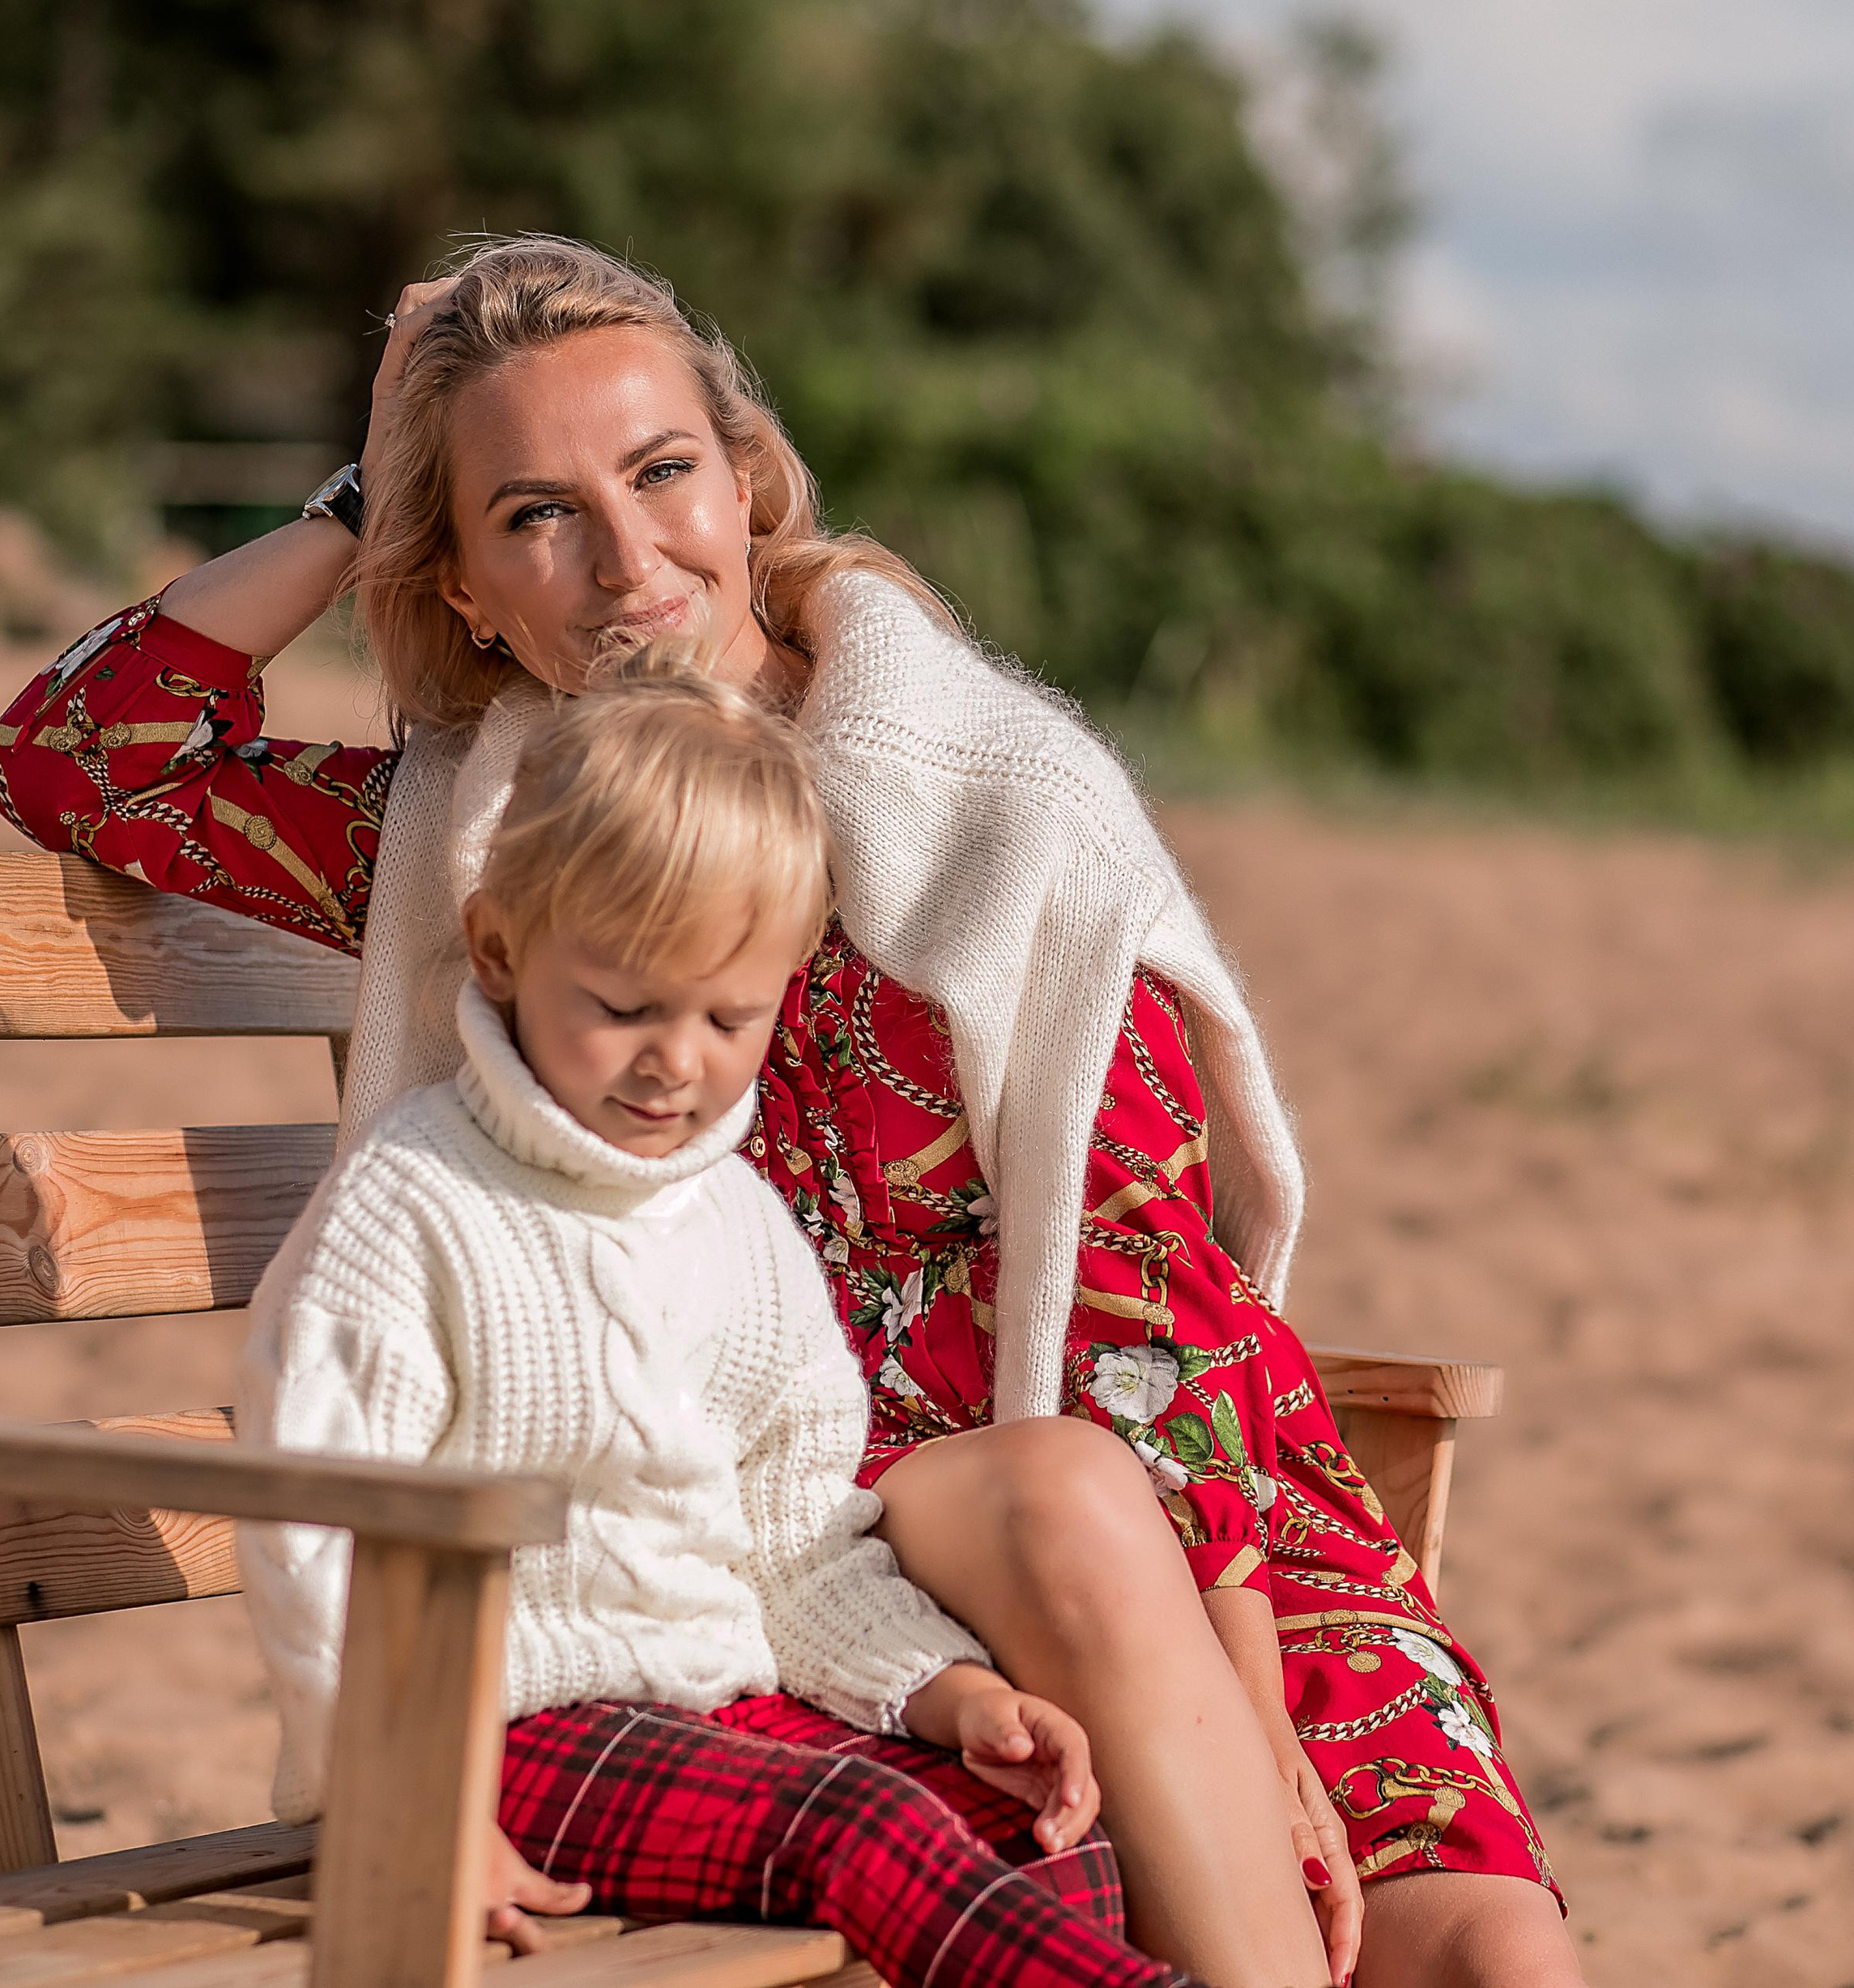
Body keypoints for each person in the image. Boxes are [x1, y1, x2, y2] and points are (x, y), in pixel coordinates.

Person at [0, 235, 1579, 1988]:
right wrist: (357, 495)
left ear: (742, 483)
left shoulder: (996, 802)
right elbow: (86, 752)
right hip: (815, 1550)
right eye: (531, 513)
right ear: (459, 586)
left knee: (1489, 1949)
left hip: (1191, 1522)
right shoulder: (490, 844)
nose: (621, 557)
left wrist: (1247, 1690)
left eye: (660, 471)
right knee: (1068, 1532)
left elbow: (1149, 1296)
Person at [238, 642, 1192, 1988]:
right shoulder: (414, 1206)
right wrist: (413, 1804)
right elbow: (314, 1531)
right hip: (491, 1737)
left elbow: (798, 1548)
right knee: (860, 1829)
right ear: (502, 949)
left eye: (728, 1018)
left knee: (1036, 1832)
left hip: (719, 1717)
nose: (674, 1060)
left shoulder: (740, 1232)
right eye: (624, 1005)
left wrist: (947, 1691)